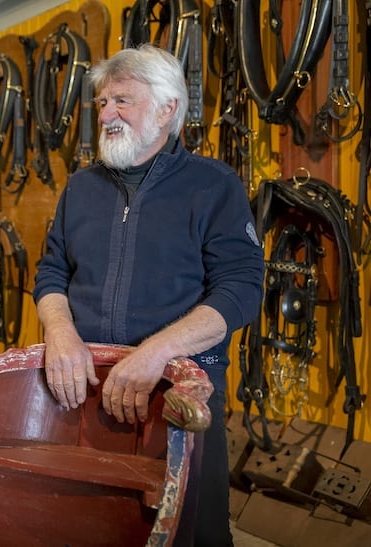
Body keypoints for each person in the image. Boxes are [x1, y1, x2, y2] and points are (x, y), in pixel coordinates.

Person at [33, 44, 264, 546]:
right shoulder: (80, 188)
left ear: (167, 109)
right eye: (101, 103)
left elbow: (242, 289)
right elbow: (51, 272)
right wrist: (60, 331)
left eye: (122, 100)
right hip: (84, 393)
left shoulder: (213, 186)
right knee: (88, 528)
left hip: (177, 396)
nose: (107, 113)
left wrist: (156, 353)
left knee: (188, 533)